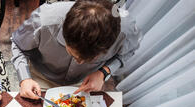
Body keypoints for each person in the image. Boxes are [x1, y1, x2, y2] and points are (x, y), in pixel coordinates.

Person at [11, 0, 142, 99]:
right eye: (73, 54)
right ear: (65, 33)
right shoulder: (42, 20)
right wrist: (25, 79)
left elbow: (128, 52)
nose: (80, 63)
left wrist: (104, 72)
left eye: (90, 60)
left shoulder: (126, 29)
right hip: (41, 77)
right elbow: (17, 44)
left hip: (84, 83)